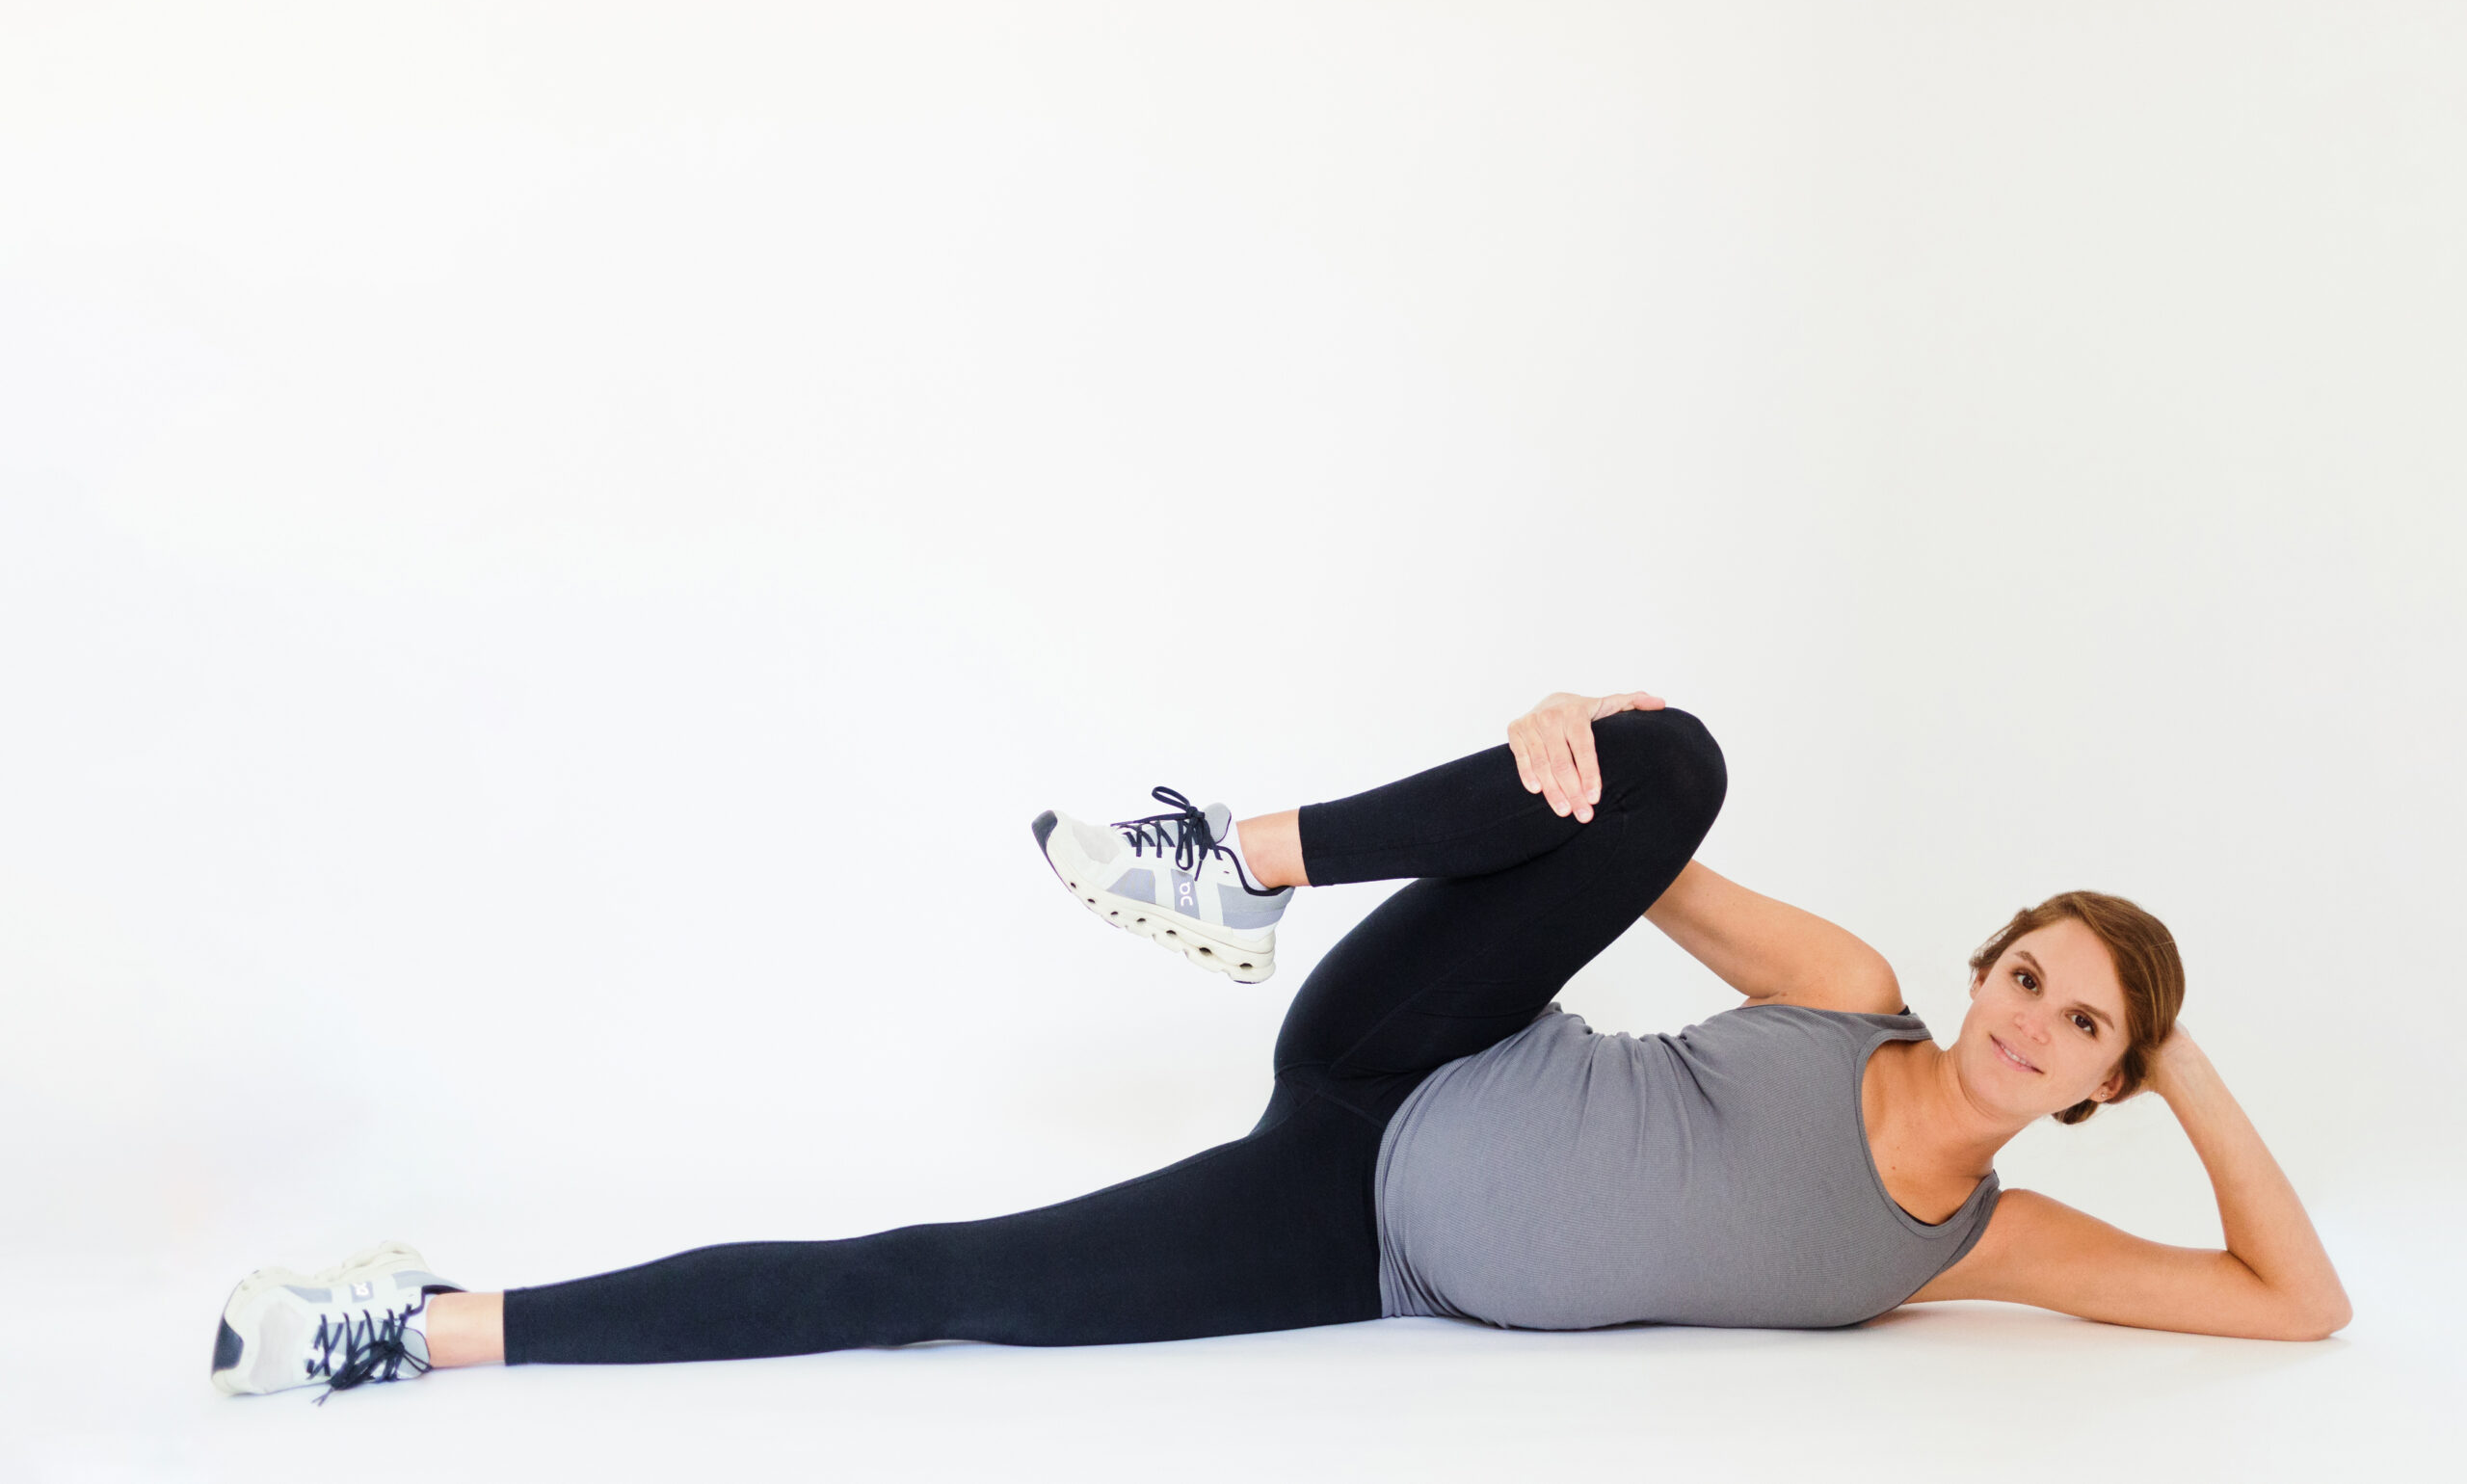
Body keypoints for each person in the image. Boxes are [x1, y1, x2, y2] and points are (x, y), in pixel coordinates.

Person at [208, 691, 2351, 1399]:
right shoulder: (1843, 989)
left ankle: (417, 1326)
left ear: (2094, 1080)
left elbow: (2293, 1304)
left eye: (2080, 1028)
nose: (2027, 1020)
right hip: (1427, 1052)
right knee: (1676, 748)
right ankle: (1234, 859)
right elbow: (1620, 814)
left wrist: (2192, 1063)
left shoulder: (1972, 1244)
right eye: (2032, 973)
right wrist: (1553, 724)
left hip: (1354, 1235)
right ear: (1980, 966)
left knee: (945, 1285)